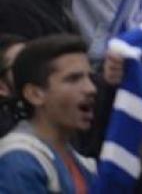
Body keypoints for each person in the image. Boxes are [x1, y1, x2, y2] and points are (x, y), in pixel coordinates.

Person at [0, 35, 98, 192]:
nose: (91, 89)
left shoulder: (83, 165)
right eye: (73, 79)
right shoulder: (19, 163)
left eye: (90, 78)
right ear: (34, 94)